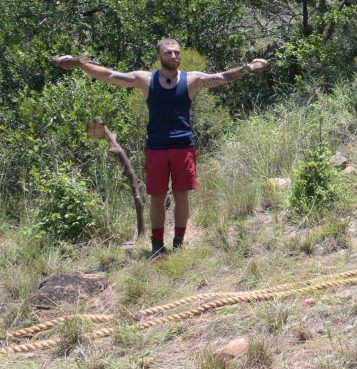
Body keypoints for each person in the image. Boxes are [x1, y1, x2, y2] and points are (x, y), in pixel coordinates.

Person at [53, 39, 268, 259]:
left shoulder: (191, 79)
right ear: (159, 56)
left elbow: (222, 77)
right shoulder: (145, 79)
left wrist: (249, 67)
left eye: (176, 53)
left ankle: (179, 242)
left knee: (181, 195)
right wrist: (80, 64)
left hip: (183, 145)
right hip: (156, 147)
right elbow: (109, 75)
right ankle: (157, 244)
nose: (173, 56)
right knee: (157, 196)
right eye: (168, 53)